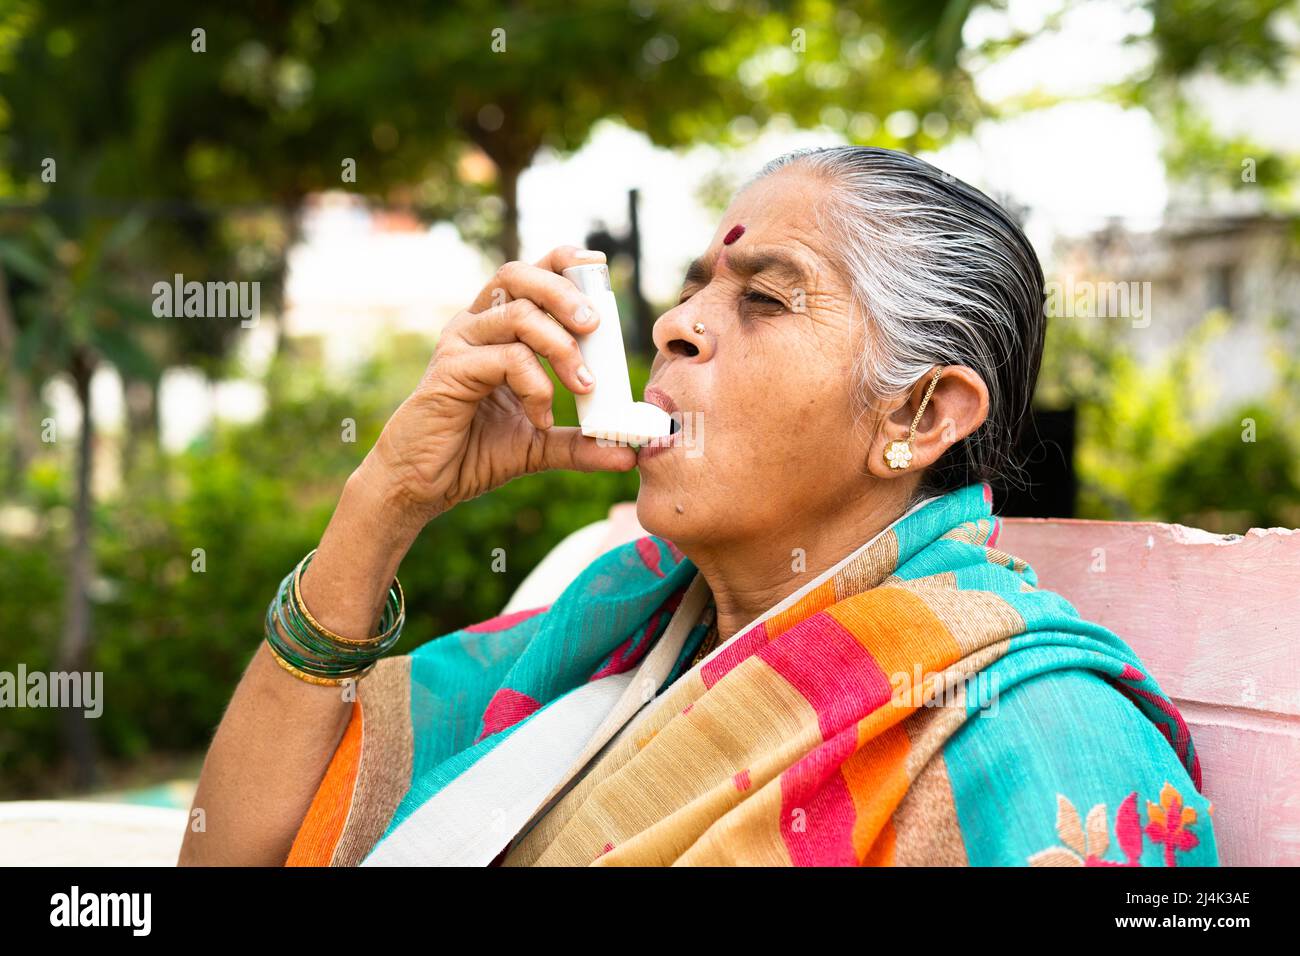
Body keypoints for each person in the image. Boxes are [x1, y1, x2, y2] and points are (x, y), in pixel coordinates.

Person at [179, 146, 1217, 867]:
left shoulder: (1033, 730)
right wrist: (385, 501)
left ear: (920, 410)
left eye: (763, 299)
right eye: (692, 288)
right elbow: (235, 850)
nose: (673, 322)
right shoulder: (619, 634)